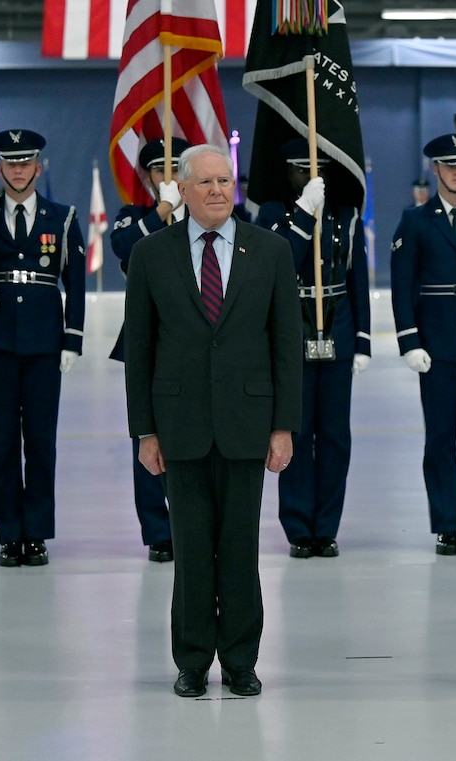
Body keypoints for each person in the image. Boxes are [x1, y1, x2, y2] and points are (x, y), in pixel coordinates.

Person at [125, 144, 301, 697]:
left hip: (248, 424)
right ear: (182, 189)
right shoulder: (152, 255)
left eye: (226, 180)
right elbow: (141, 348)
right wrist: (144, 430)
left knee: (241, 547)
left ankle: (242, 660)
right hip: (180, 427)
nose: (220, 190)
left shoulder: (270, 251)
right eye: (206, 182)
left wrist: (283, 426)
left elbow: (285, 345)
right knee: (193, 550)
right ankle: (194, 661)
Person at [0, 129, 86, 566]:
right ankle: (10, 535)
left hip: (45, 344)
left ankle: (37, 534)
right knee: (3, 444)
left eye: (25, 162)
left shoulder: (61, 218)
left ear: (38, 167)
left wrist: (73, 339)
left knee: (41, 443)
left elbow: (77, 284)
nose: (19, 170)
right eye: (10, 163)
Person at [256, 138, 372, 559]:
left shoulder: (344, 214)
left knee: (336, 437)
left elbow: (357, 276)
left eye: (317, 168)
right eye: (301, 169)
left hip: (337, 332)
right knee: (296, 436)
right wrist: (304, 213)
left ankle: (327, 527)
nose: (310, 175)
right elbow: (281, 262)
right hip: (293, 335)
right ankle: (299, 527)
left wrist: (362, 340)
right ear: (288, 171)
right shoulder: (272, 214)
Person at [391, 132, 456, 556]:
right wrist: (409, 340)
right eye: (449, 165)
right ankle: (445, 524)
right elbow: (402, 285)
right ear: (435, 170)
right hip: (435, 352)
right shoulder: (415, 221)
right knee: (438, 439)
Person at [109, 136, 191, 563]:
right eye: (161, 170)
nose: (170, 176)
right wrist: (162, 211)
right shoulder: (134, 218)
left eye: (178, 168)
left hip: (199, 345)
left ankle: (194, 524)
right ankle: (160, 532)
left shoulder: (208, 219)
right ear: (149, 176)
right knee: (148, 435)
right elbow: (124, 249)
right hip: (149, 342)